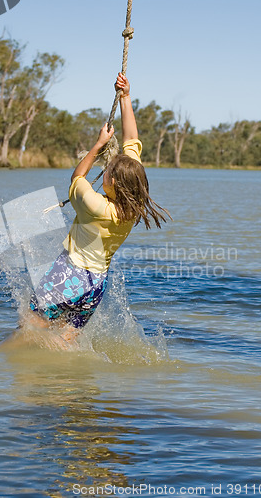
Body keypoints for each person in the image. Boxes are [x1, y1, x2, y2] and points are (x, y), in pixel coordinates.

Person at [27, 73, 171, 346]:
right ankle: (64, 387)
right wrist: (126, 96)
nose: (105, 170)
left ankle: (0, 360)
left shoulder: (95, 205)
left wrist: (98, 145)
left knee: (29, 327)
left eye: (107, 171)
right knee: (64, 342)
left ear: (113, 182)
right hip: (95, 287)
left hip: (70, 274)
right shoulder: (134, 202)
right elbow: (132, 139)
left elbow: (77, 178)